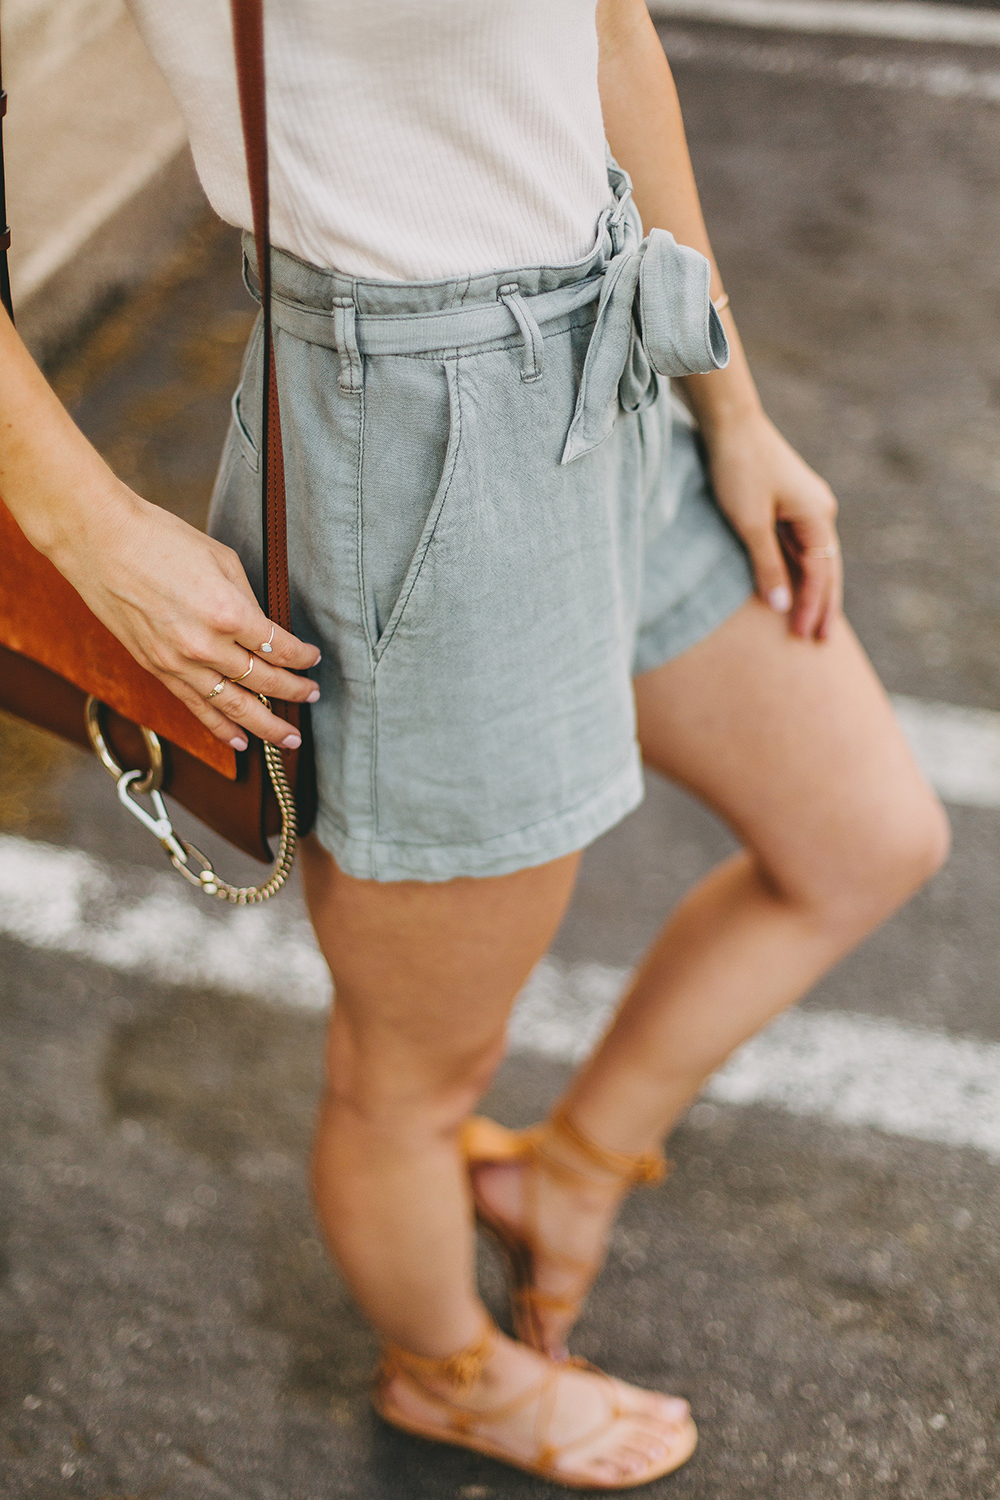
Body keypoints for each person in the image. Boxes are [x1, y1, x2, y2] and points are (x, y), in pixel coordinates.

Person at [0, 0, 949, 1486]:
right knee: (419, 1070)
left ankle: (563, 1179)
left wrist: (736, 409)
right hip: (415, 433)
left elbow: (613, 37)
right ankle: (442, 1368)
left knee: (865, 837)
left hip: (616, 348)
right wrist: (90, 529)